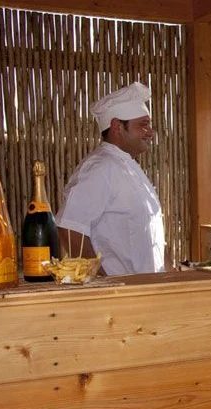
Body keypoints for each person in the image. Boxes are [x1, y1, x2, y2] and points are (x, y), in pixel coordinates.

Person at [56, 82, 170, 275]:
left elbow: (150, 233)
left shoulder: (129, 166)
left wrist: (171, 275)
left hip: (148, 290)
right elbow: (70, 229)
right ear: (117, 126)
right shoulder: (100, 168)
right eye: (143, 125)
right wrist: (101, 283)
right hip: (123, 294)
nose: (150, 132)